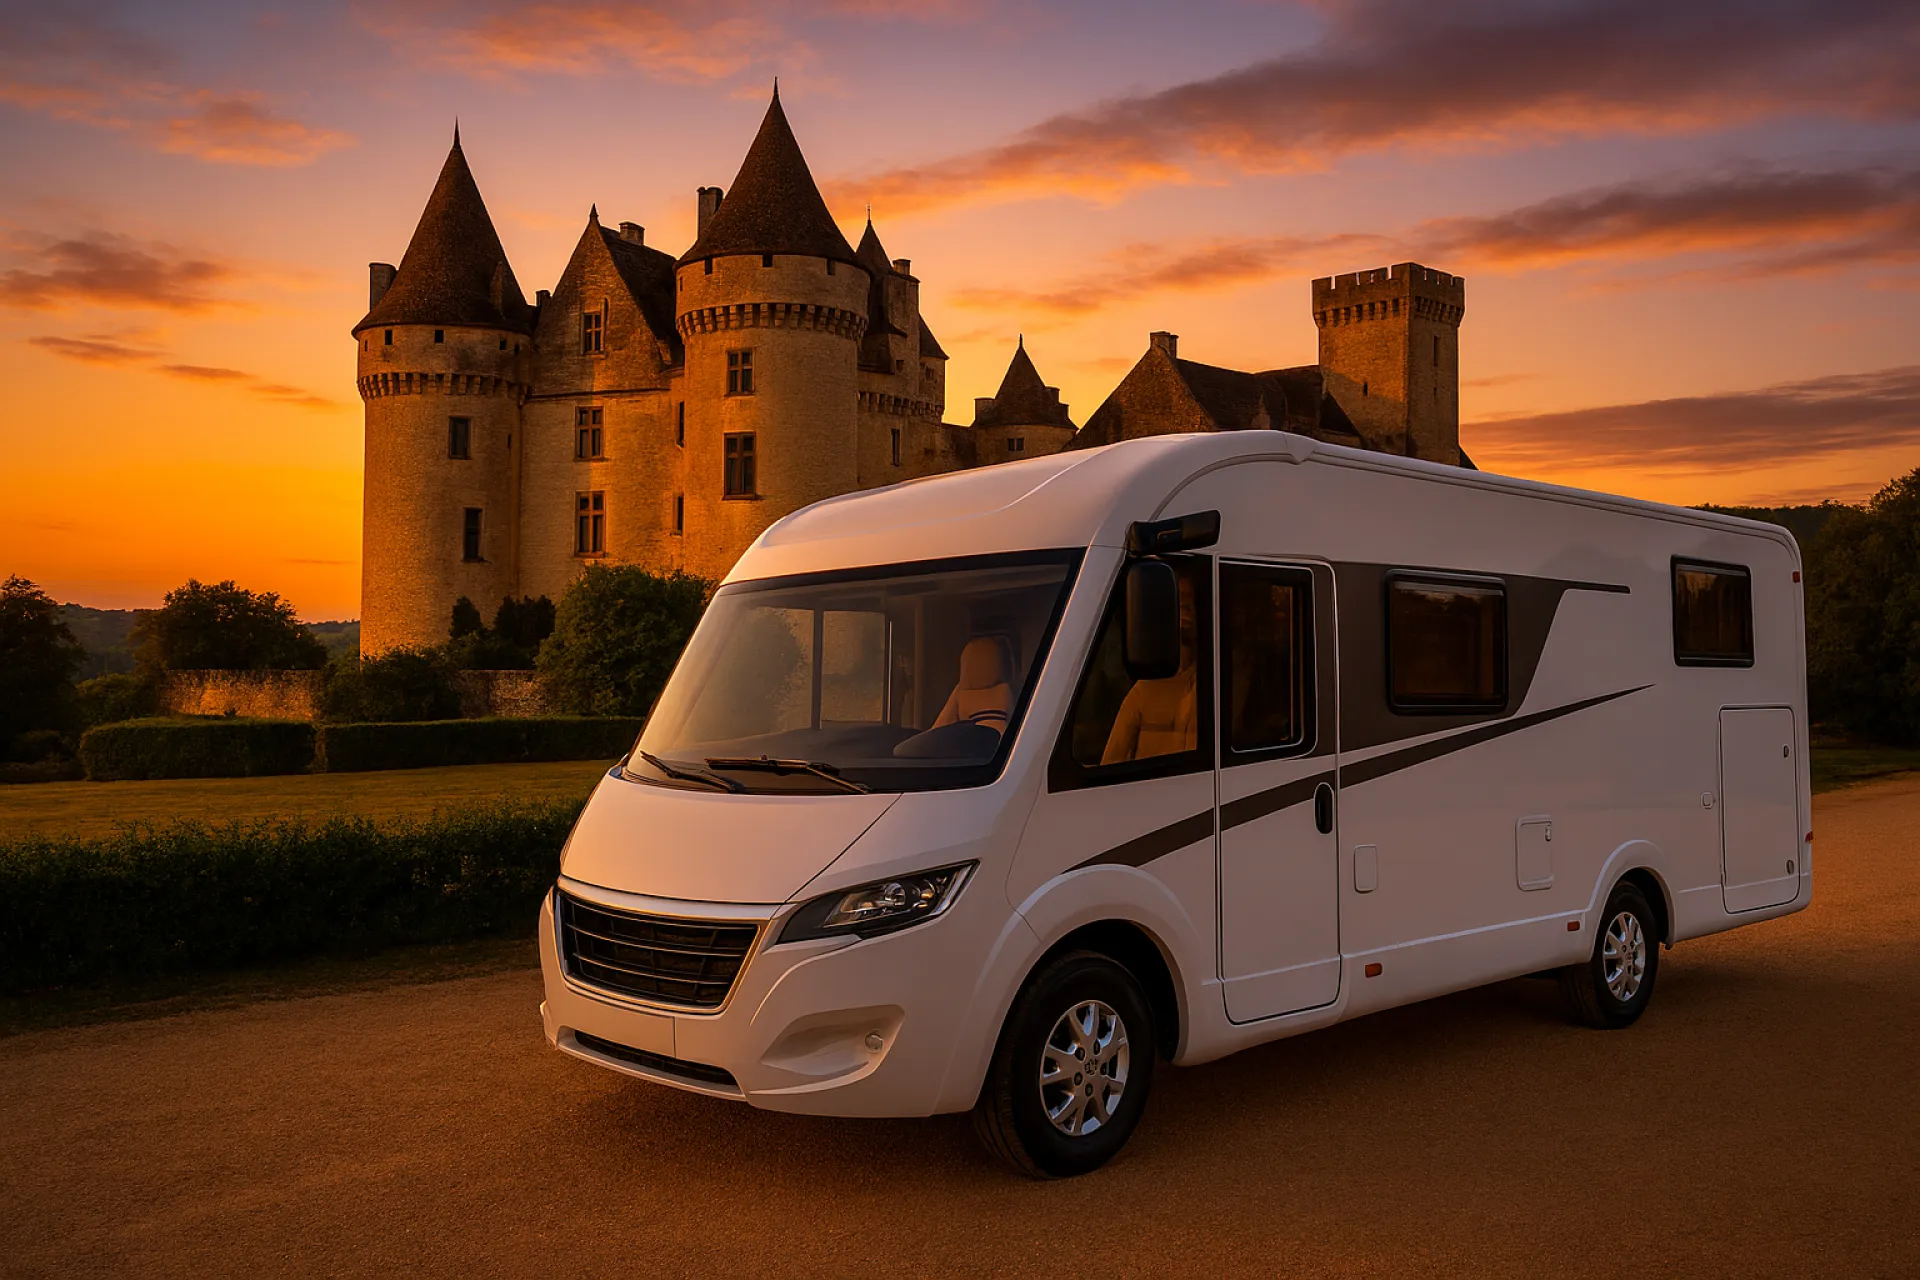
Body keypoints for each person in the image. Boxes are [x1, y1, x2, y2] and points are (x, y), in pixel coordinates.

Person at [1100, 572, 1198, 764]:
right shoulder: (1144, 689)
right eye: (1178, 603)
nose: (1185, 612)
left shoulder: (1220, 681)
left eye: (1190, 604)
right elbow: (1112, 760)